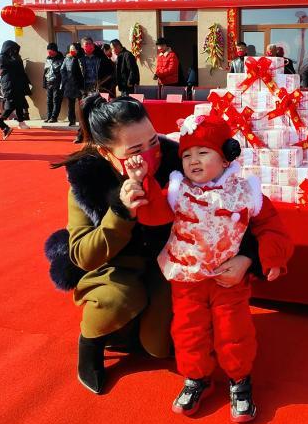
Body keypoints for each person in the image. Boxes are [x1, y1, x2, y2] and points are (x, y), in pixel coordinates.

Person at [45, 95, 265, 395]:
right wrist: (121, 212)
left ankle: (133, 332)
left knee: (160, 347)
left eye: (153, 141)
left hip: (169, 264)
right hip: (115, 267)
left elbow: (234, 209)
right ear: (106, 153)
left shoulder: (179, 160)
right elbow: (83, 256)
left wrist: (248, 257)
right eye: (135, 150)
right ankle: (91, 342)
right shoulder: (89, 181)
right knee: (116, 300)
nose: (150, 154)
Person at [124, 114, 292, 421]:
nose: (193, 161)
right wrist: (142, 181)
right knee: (188, 331)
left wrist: (270, 257)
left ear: (226, 157)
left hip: (229, 281)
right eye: (187, 155)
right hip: (186, 278)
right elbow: (154, 215)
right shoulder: (177, 190)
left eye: (203, 152)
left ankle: (239, 379)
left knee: (233, 330)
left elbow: (271, 227)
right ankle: (196, 377)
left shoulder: (247, 191)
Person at [0, 40, 31, 128]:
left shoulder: (15, 56)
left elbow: (20, 69)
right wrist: (16, 57)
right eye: (13, 49)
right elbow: (12, 65)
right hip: (10, 84)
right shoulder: (2, 57)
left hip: (18, 84)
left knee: (19, 104)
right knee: (10, 106)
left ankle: (21, 123)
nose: (15, 51)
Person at [61, 42, 85, 130]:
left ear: (77, 50)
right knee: (70, 105)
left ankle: (83, 120)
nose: (72, 50)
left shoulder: (82, 58)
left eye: (74, 49)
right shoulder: (67, 59)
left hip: (80, 84)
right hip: (70, 84)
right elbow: (62, 70)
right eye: (71, 49)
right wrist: (66, 79)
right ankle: (72, 120)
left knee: (82, 104)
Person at [43, 42, 64, 123]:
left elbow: (63, 72)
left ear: (55, 51)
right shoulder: (47, 59)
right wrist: (44, 83)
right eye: (48, 51)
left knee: (56, 100)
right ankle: (49, 116)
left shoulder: (61, 59)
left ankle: (54, 117)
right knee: (49, 101)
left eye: (51, 51)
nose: (49, 53)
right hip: (49, 82)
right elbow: (45, 72)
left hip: (57, 82)